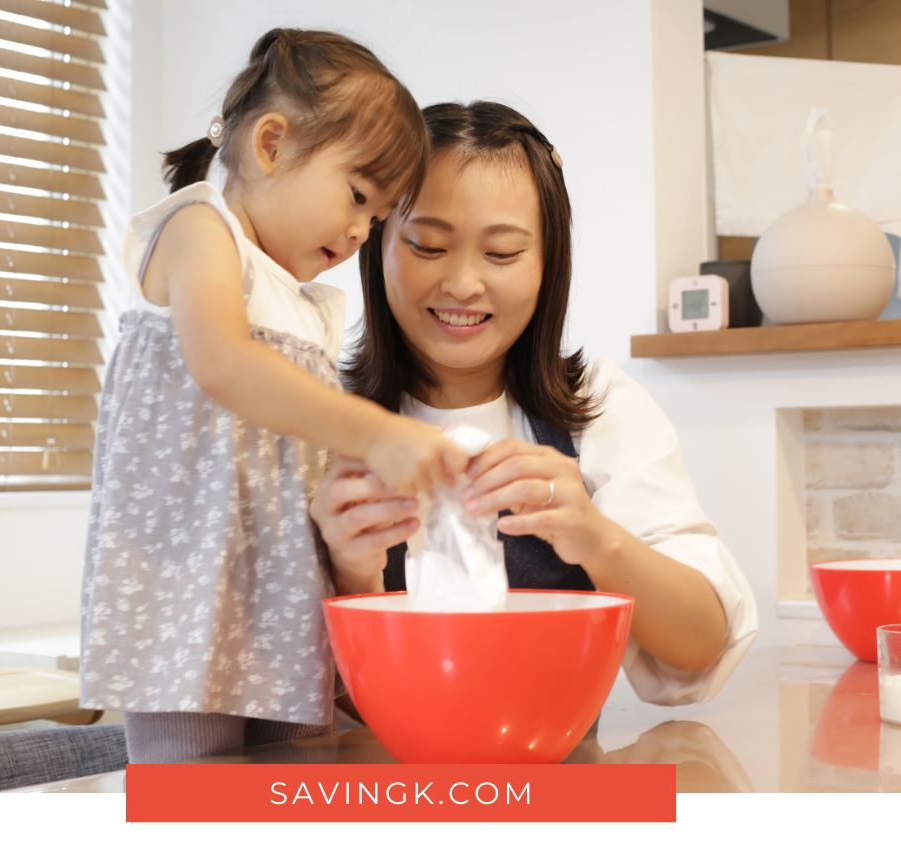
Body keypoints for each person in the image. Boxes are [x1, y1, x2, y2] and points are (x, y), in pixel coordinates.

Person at [79, 29, 468, 764]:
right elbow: (223, 364)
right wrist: (374, 430)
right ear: (270, 145)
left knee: (298, 788)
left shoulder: (308, 306)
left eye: (378, 217)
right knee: (193, 796)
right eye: (357, 195)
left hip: (285, 601)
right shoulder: (199, 231)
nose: (359, 230)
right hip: (186, 595)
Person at [312, 101, 757, 706]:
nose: (464, 284)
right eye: (427, 246)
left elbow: (703, 644)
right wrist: (352, 573)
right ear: (377, 244)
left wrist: (597, 539)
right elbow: (286, 701)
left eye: (502, 254)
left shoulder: (598, 410)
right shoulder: (313, 414)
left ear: (550, 264)